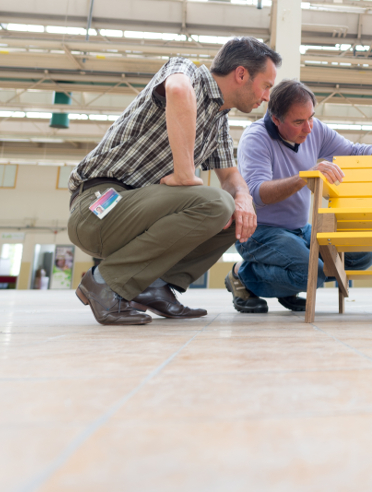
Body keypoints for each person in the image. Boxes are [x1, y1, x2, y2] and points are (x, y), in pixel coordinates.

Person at [66, 37, 280, 325]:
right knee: (216, 203)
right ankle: (104, 283)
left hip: (138, 215)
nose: (266, 97)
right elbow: (178, 89)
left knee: (241, 214)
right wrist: (184, 173)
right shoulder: (185, 71)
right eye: (266, 86)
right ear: (241, 74)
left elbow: (230, 176)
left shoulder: (218, 121)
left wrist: (243, 197)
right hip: (98, 207)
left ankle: (155, 285)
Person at [228, 79, 372, 313]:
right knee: (312, 272)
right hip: (260, 231)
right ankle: (240, 275)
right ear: (276, 119)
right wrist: (305, 177)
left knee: (360, 256)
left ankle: (288, 284)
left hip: (300, 229)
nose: (308, 128)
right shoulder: (256, 138)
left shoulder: (314, 128)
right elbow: (257, 193)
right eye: (299, 122)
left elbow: (353, 151)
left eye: (310, 117)